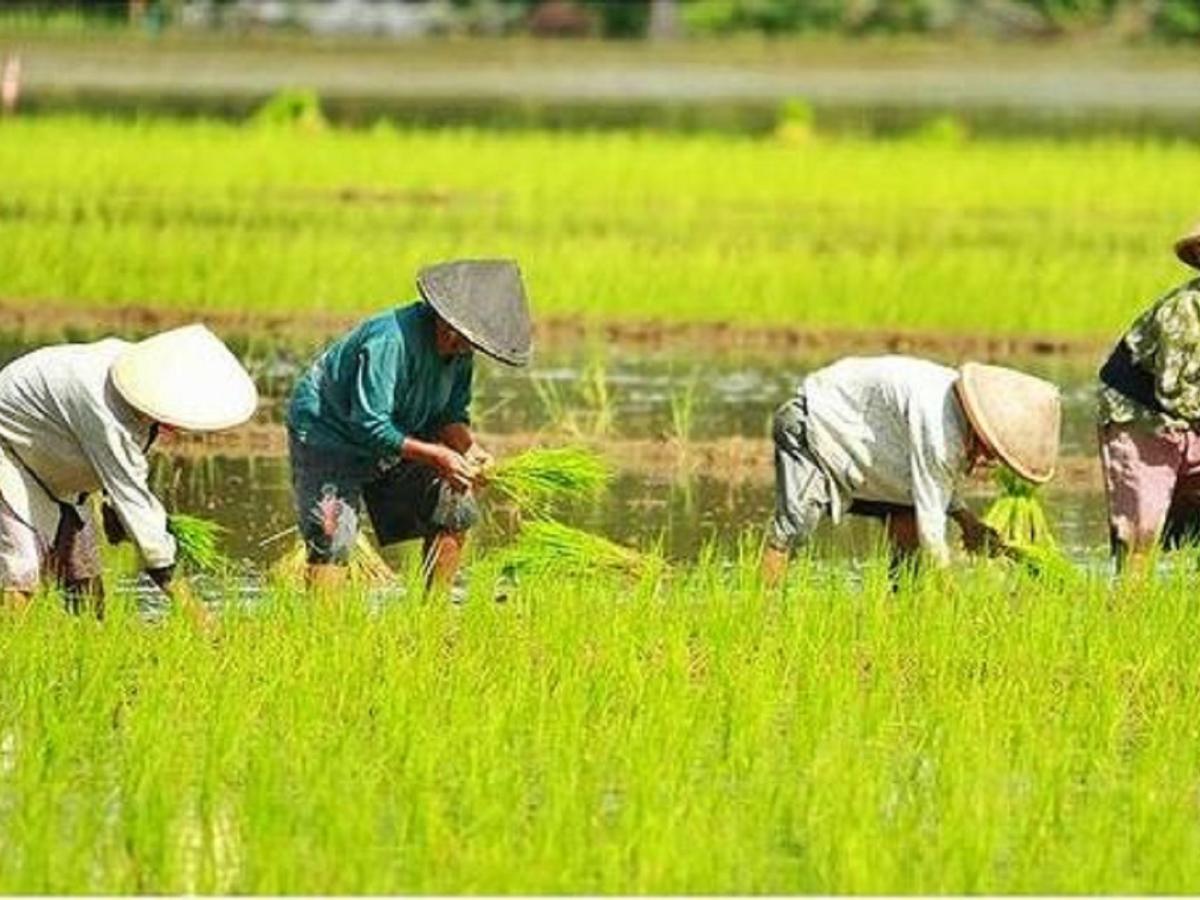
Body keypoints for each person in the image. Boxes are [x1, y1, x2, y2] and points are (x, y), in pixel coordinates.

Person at [286, 258, 533, 593]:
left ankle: (431, 618)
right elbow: (369, 424)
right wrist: (438, 457)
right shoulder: (390, 341)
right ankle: (325, 634)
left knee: (455, 500)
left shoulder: (461, 355)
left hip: (396, 433)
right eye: (456, 335)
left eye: (470, 343)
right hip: (330, 433)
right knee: (333, 533)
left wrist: (468, 449)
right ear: (444, 319)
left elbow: (449, 414)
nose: (461, 347)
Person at [0, 324, 258, 617]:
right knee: (23, 567)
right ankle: (8, 647)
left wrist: (113, 505)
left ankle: (90, 646)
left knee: (84, 576)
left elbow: (123, 476)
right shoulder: (105, 408)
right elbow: (134, 500)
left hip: (54, 464)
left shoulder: (141, 381)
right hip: (9, 452)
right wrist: (192, 609)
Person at [761, 355, 1061, 586]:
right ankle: (763, 612)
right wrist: (952, 601)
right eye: (992, 453)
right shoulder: (940, 428)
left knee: (907, 515)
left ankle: (900, 606)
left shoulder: (955, 413)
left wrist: (967, 522)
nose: (988, 463)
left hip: (865, 446)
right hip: (815, 423)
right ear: (983, 431)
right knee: (794, 527)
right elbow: (932, 533)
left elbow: (933, 482)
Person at [1097, 223, 1200, 566]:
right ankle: (1129, 610)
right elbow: (1173, 389)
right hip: (1142, 417)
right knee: (1139, 537)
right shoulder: (1184, 310)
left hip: (1192, 423)